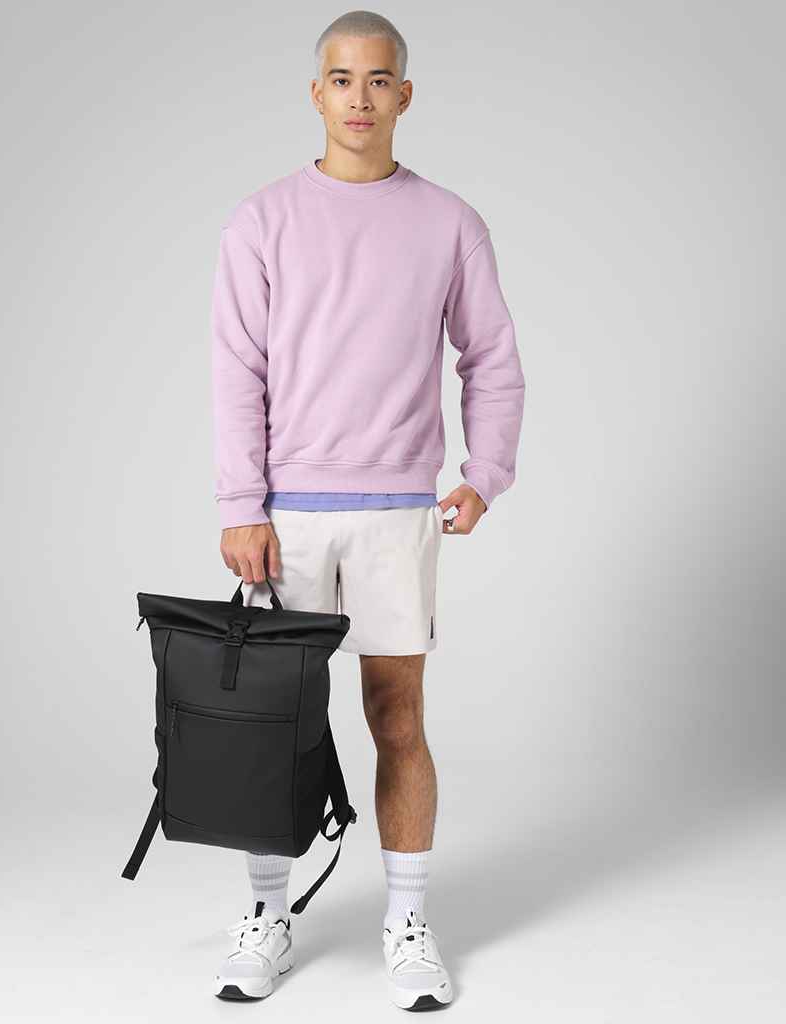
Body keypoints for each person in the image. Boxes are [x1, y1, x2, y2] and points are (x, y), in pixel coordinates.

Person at [209, 10, 525, 1010]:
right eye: (341, 79)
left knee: (397, 717)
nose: (359, 97)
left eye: (378, 79)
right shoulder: (262, 220)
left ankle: (408, 922)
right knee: (273, 726)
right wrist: (240, 501)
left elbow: (493, 358)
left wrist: (486, 471)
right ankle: (268, 915)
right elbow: (237, 370)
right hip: (287, 515)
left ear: (404, 95)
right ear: (317, 93)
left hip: (397, 509)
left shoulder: (449, 223)